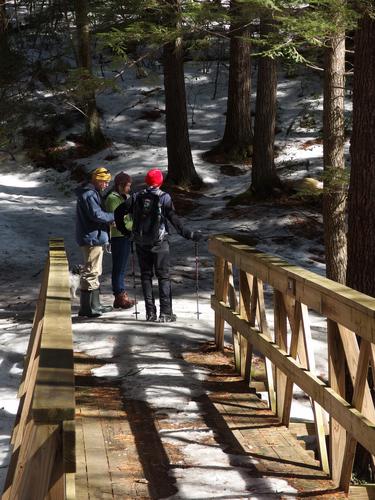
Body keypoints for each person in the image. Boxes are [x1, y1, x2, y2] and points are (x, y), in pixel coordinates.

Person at [114, 168, 202, 322]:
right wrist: (189, 234)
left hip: (141, 242)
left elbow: (118, 213)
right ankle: (166, 313)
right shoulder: (164, 197)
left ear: (147, 181)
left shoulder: (136, 197)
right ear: (160, 181)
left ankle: (150, 313)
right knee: (163, 277)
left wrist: (127, 232)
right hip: (160, 243)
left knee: (146, 277)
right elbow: (174, 219)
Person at [75, 167, 114, 317]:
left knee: (93, 270)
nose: (106, 185)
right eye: (104, 182)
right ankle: (89, 308)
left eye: (107, 182)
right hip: (92, 237)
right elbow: (96, 215)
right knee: (92, 271)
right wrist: (113, 217)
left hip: (92, 236)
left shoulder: (89, 192)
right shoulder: (90, 194)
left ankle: (94, 305)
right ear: (97, 180)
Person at [104, 171, 135, 309]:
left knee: (122, 267)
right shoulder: (112, 198)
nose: (129, 188)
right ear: (120, 185)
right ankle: (119, 295)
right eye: (127, 185)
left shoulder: (122, 197)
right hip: (118, 235)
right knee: (119, 268)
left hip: (125, 235)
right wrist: (132, 227)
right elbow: (116, 220)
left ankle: (121, 294)